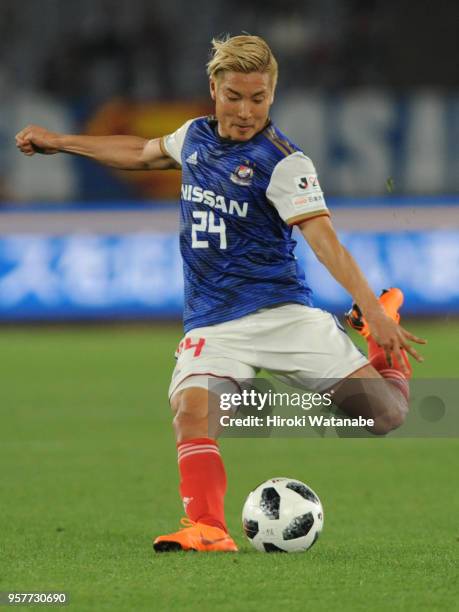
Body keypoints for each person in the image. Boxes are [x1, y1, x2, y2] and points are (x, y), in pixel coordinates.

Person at [16, 34, 426, 553]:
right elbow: (141, 153)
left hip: (284, 316)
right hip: (214, 325)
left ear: (271, 95)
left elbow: (325, 244)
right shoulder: (193, 138)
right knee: (193, 411)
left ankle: (378, 341)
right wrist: (61, 141)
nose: (245, 111)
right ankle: (208, 528)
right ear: (214, 88)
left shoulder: (284, 163)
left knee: (386, 416)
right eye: (234, 96)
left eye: (258, 98)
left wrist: (371, 306)